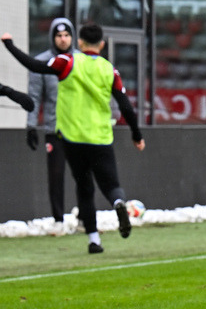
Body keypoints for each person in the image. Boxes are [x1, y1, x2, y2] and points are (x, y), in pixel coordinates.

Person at [3, 23, 145, 254]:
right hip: (100, 137)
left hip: (72, 138)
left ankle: (94, 239)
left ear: (79, 42)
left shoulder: (67, 62)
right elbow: (126, 107)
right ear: (102, 44)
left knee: (84, 187)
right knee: (111, 185)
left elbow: (33, 64)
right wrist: (136, 135)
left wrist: (9, 44)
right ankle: (119, 203)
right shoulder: (110, 69)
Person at [26, 17, 76, 230]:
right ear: (52, 38)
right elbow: (34, 97)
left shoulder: (81, 61)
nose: (63, 40)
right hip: (55, 130)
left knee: (85, 176)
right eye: (59, 35)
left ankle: (85, 218)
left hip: (81, 130)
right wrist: (30, 125)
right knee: (56, 176)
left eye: (66, 35)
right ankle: (58, 220)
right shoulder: (42, 63)